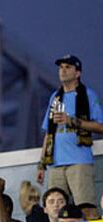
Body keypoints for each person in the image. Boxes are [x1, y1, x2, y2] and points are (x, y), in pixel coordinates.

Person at [37, 55, 103, 206]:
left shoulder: (88, 95)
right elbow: (49, 132)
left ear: (77, 73)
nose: (63, 71)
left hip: (79, 161)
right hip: (55, 163)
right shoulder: (55, 97)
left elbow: (100, 126)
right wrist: (41, 164)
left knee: (86, 208)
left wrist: (72, 121)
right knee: (56, 212)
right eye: (61, 67)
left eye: (68, 67)